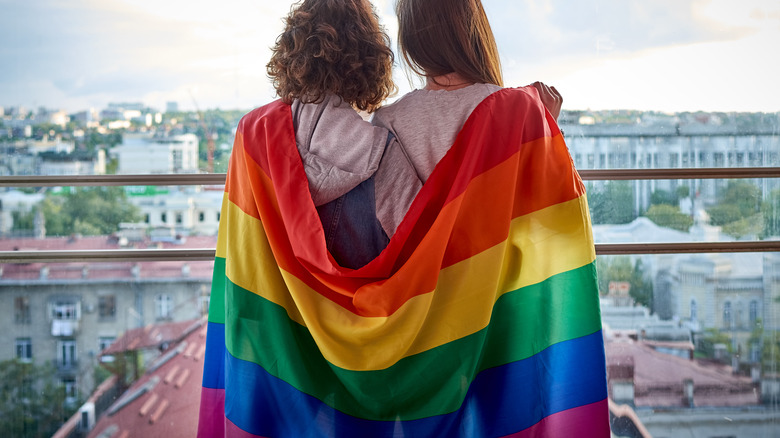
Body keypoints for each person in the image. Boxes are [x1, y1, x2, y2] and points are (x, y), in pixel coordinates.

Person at [199, 0, 609, 436]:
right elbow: (549, 230)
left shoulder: (370, 127)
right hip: (473, 335)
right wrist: (543, 129)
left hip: (303, 346)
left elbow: (246, 263)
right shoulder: (515, 115)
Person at [371, 0, 563, 238]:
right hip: (500, 271)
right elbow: (547, 211)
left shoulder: (388, 121)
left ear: (411, 40)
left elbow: (400, 230)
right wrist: (546, 129)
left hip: (429, 274)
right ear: (474, 29)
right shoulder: (516, 107)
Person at [267, 0, 395, 268]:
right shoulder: (386, 149)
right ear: (368, 58)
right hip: (357, 308)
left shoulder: (255, 134)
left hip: (282, 308)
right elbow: (418, 244)